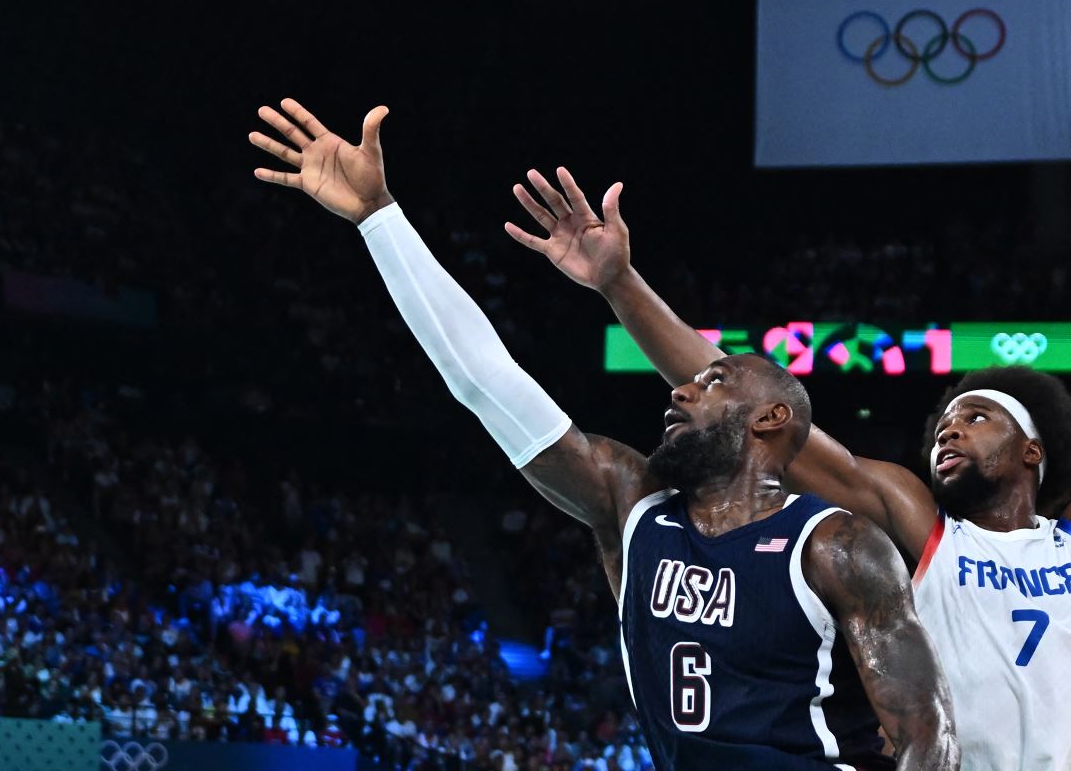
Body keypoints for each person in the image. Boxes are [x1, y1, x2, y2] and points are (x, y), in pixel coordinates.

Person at [504, 95, 1071, 770]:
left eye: (974, 416)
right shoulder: (916, 525)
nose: (948, 429)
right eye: (944, 418)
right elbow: (737, 399)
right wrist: (620, 285)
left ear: (1031, 451)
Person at [251, 98, 958, 771]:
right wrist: (380, 219)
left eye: (713, 384)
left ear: (771, 420)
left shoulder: (838, 545)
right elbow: (486, 383)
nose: (681, 388)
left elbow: (928, 737)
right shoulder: (633, 505)